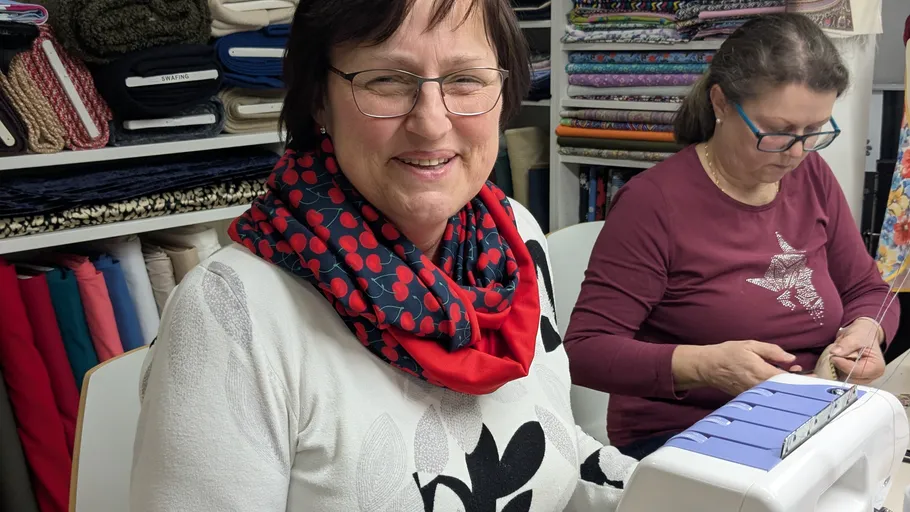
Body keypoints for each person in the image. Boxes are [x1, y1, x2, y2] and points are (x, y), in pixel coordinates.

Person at [129, 0, 637, 510]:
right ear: (319, 101)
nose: (432, 123)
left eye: (465, 79)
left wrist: (667, 486)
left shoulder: (514, 240)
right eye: (387, 81)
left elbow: (555, 446)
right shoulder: (231, 315)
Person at [563, 13, 900, 462]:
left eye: (814, 131)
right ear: (721, 103)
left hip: (807, 417)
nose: (797, 153)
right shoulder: (653, 203)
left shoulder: (812, 176)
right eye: (777, 133)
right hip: (689, 434)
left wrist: (866, 331)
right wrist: (705, 365)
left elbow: (867, 290)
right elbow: (584, 351)